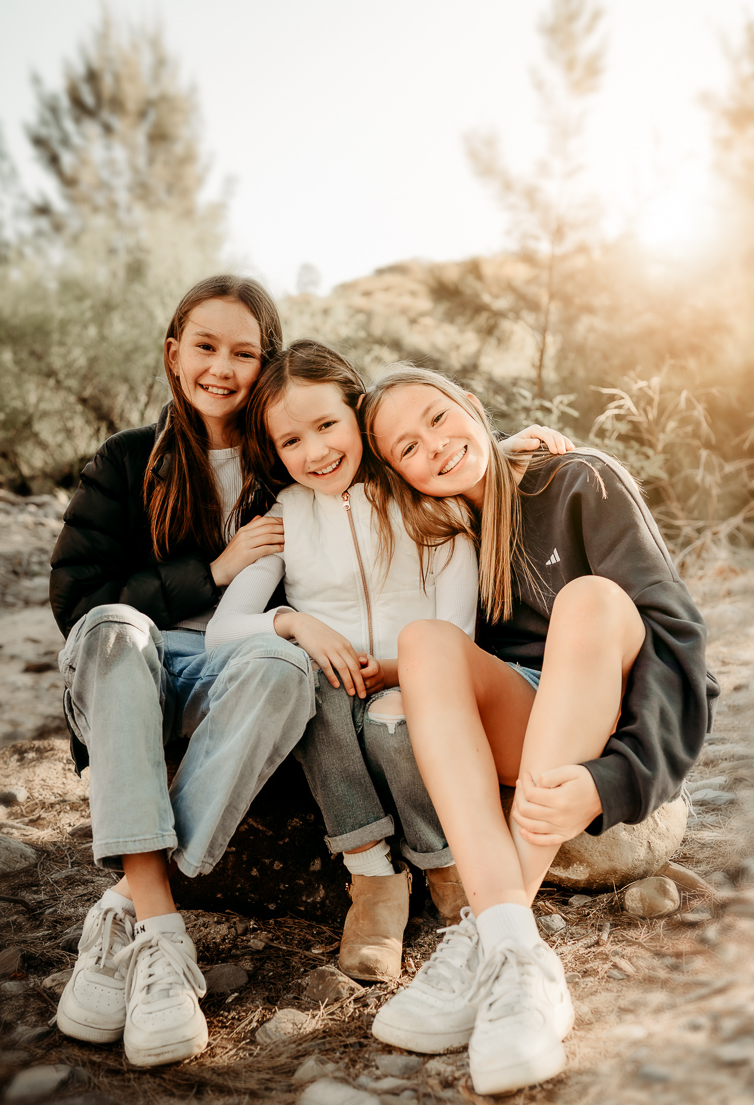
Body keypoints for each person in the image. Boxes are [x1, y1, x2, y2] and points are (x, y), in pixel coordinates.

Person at [361, 364, 718, 1095]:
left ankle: (502, 933)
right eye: (406, 448)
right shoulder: (448, 532)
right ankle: (511, 946)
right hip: (531, 720)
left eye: (436, 417)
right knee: (426, 642)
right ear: (401, 475)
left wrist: (612, 779)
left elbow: (679, 645)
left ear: (470, 404)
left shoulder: (578, 480)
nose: (431, 446)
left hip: (605, 705)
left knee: (588, 598)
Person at [205, 340, 570, 981]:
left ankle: (444, 864)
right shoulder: (284, 517)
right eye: (292, 442)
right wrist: (294, 623)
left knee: (394, 719)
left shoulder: (424, 503)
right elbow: (223, 632)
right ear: (275, 451)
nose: (314, 452)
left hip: (413, 682)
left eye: (327, 426)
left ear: (360, 417)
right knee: (311, 689)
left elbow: (456, 633)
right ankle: (373, 879)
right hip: (334, 694)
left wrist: (396, 670)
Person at [48, 276, 317, 1068]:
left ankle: (127, 904)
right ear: (175, 353)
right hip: (129, 668)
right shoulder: (129, 460)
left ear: (267, 364)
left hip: (228, 677)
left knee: (283, 667)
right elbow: (78, 601)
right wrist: (213, 570)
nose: (221, 368)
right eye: (205, 346)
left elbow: (375, 439)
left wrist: (502, 443)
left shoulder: (293, 462)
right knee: (121, 629)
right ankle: (163, 928)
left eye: (244, 352)